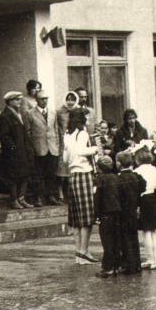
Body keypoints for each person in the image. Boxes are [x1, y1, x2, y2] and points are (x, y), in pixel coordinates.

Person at [63, 108, 101, 264]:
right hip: (84, 174)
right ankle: (84, 251)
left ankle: (79, 253)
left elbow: (65, 158)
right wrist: (95, 149)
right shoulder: (83, 133)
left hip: (72, 175)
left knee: (76, 218)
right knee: (87, 216)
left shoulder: (67, 134)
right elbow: (81, 151)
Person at [24, 90, 61, 207]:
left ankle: (51, 196)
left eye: (46, 98)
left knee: (51, 174)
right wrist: (32, 148)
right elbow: (28, 132)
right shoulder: (30, 113)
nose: (45, 101)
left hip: (52, 148)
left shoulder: (53, 112)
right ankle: (39, 197)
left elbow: (56, 130)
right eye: (42, 99)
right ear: (36, 100)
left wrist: (57, 146)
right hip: (39, 148)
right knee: (38, 174)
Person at [0, 91, 34, 210]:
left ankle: (21, 198)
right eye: (17, 100)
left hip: (23, 150)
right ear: (10, 101)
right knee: (13, 177)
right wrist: (13, 148)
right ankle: (14, 200)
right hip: (13, 152)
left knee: (25, 174)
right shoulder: (5, 116)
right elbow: (4, 136)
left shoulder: (20, 114)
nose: (19, 102)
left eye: (20, 100)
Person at [134, 149, 156, 270]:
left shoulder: (137, 171)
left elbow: (136, 189)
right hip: (154, 200)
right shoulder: (155, 170)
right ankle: (154, 260)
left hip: (143, 200)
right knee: (153, 231)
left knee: (146, 231)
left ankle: (151, 259)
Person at [94, 155, 122, 278]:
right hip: (118, 212)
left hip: (105, 213)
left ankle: (108, 267)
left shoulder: (99, 180)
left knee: (107, 241)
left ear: (99, 168)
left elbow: (97, 198)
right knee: (116, 239)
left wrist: (96, 215)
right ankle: (117, 265)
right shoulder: (117, 178)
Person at [116, 151, 142, 275]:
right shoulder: (135, 176)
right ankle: (137, 264)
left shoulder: (119, 178)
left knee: (124, 238)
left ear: (119, 164)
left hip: (123, 212)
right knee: (134, 237)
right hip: (133, 210)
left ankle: (128, 265)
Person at [56, 91, 80, 201]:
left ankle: (72, 192)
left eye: (73, 100)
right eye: (68, 99)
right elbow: (57, 127)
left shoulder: (79, 111)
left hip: (75, 141)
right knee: (62, 169)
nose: (70, 102)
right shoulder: (60, 112)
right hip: (63, 142)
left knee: (73, 167)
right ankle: (60, 191)